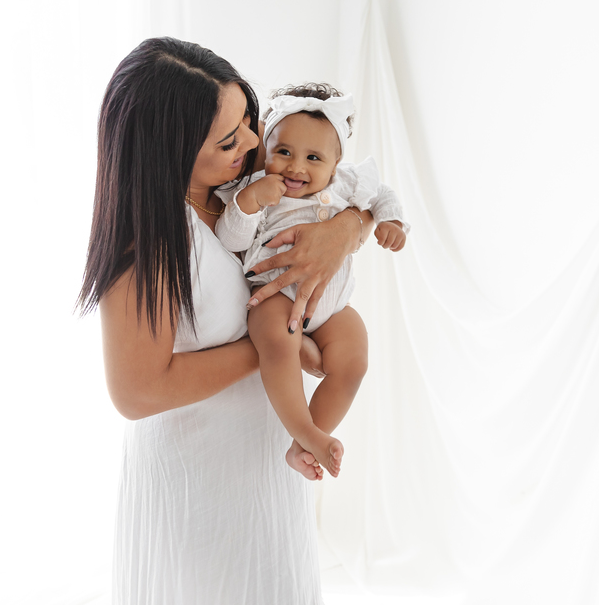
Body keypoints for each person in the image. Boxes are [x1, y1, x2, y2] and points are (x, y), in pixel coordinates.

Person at [77, 38, 375, 604]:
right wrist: (278, 345)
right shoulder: (151, 241)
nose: (255, 142)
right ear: (167, 151)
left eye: (247, 120)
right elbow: (136, 392)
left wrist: (346, 230)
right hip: (199, 487)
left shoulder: (242, 178)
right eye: (228, 139)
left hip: (267, 469)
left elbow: (344, 181)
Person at [215, 84, 410, 478]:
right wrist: (250, 202)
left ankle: (303, 445)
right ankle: (305, 430)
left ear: (336, 163)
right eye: (284, 152)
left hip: (332, 307)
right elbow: (229, 239)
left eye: (313, 158)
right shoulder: (256, 188)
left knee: (354, 360)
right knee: (276, 343)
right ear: (267, 148)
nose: (296, 168)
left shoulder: (347, 182)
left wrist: (392, 220)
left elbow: (382, 192)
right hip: (276, 296)